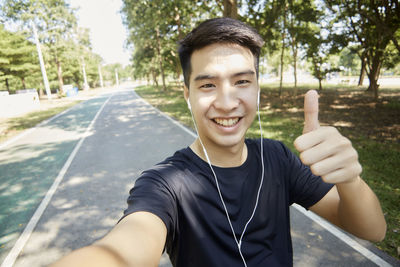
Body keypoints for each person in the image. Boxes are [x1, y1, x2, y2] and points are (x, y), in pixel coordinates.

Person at [52, 17, 386, 267]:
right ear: (187, 95)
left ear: (256, 89)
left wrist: (350, 180)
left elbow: (373, 230)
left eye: (242, 81)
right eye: (208, 85)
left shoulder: (278, 158)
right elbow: (122, 250)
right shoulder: (165, 184)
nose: (227, 102)